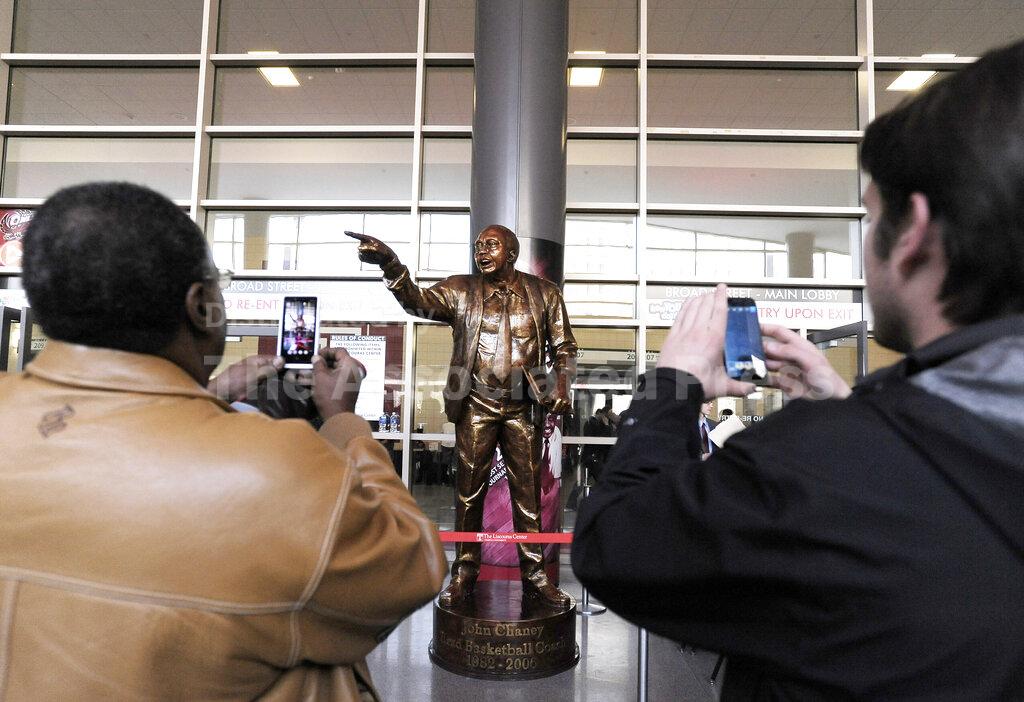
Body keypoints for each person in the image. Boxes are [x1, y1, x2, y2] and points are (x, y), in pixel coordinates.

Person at [572, 38, 1024, 700]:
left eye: (871, 219)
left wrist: (669, 386)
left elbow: (616, 543)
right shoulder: (858, 449)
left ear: (914, 232)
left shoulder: (818, 469)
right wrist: (850, 408)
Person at [0, 182, 447, 701]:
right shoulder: (273, 466)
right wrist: (342, 418)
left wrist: (208, 392)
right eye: (219, 285)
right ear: (199, 307)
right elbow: (412, 565)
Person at [347, 225, 576, 609]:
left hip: (522, 407)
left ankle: (535, 577)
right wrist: (391, 265)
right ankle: (465, 573)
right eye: (477, 246)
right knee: (469, 494)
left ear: (512, 253)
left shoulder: (545, 294)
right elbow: (416, 301)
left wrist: (562, 383)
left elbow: (564, 346)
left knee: (527, 496)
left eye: (491, 245)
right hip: (476, 406)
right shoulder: (461, 290)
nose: (481, 252)